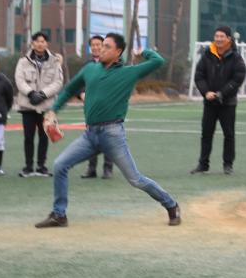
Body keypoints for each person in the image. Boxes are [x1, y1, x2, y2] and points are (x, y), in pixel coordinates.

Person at [35, 33, 181, 228]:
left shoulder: (129, 72)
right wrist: (54, 110)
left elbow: (158, 61)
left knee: (135, 180)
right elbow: (69, 90)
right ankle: (59, 215)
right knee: (60, 165)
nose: (101, 49)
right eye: (101, 45)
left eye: (107, 47)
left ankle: (171, 205)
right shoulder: (90, 69)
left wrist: (142, 52)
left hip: (113, 135)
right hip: (90, 135)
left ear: (118, 52)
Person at [192, 26, 246, 175]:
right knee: (206, 134)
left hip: (227, 103)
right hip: (209, 103)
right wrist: (206, 92)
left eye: (222, 36)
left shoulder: (236, 57)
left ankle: (228, 165)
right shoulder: (207, 54)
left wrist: (221, 93)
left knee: (229, 135)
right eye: (216, 36)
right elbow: (199, 76)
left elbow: (238, 79)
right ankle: (203, 164)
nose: (218, 39)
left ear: (229, 39)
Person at [14, 31, 63, 177]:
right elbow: (19, 80)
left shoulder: (55, 61)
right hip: (28, 106)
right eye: (37, 41)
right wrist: (30, 93)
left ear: (46, 44)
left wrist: (43, 94)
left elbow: (58, 82)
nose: (40, 44)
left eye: (43, 41)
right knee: (28, 137)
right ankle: (28, 166)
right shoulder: (23, 61)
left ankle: (41, 166)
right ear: (32, 43)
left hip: (46, 106)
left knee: (44, 137)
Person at [80, 35, 114, 179]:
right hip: (91, 109)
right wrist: (81, 93)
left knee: (108, 138)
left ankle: (108, 168)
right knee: (91, 138)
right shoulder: (87, 65)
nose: (95, 47)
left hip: (108, 108)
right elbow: (80, 82)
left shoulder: (112, 63)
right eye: (93, 45)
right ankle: (91, 169)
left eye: (98, 44)